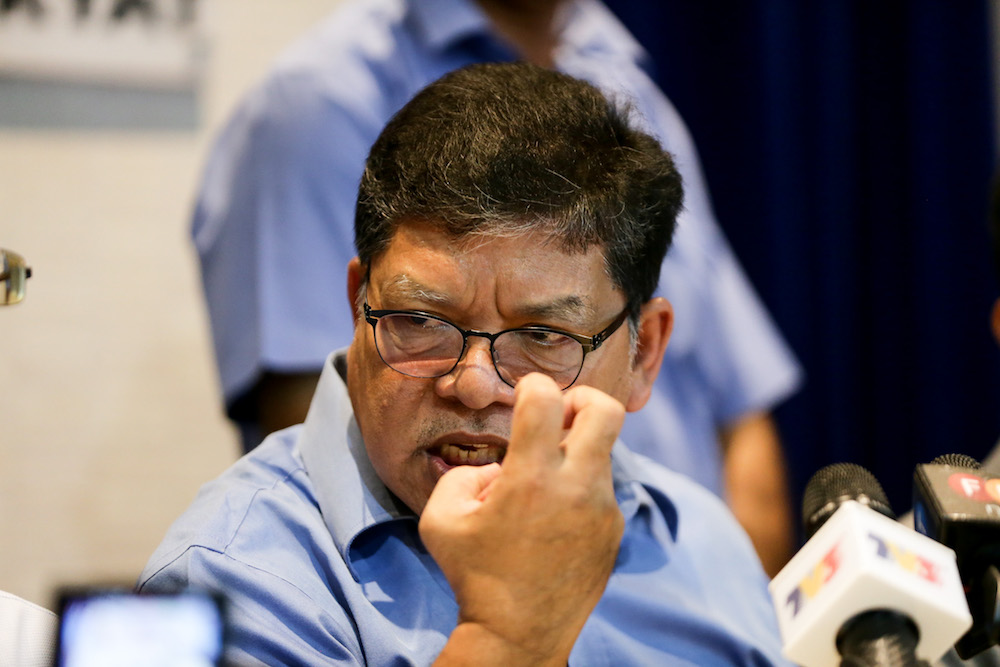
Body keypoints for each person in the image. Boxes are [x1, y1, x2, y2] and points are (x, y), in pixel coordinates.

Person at [143, 63, 789, 665]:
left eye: (541, 335)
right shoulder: (232, 581)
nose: (474, 384)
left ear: (644, 352)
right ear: (357, 304)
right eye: (420, 322)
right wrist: (507, 637)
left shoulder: (701, 540)